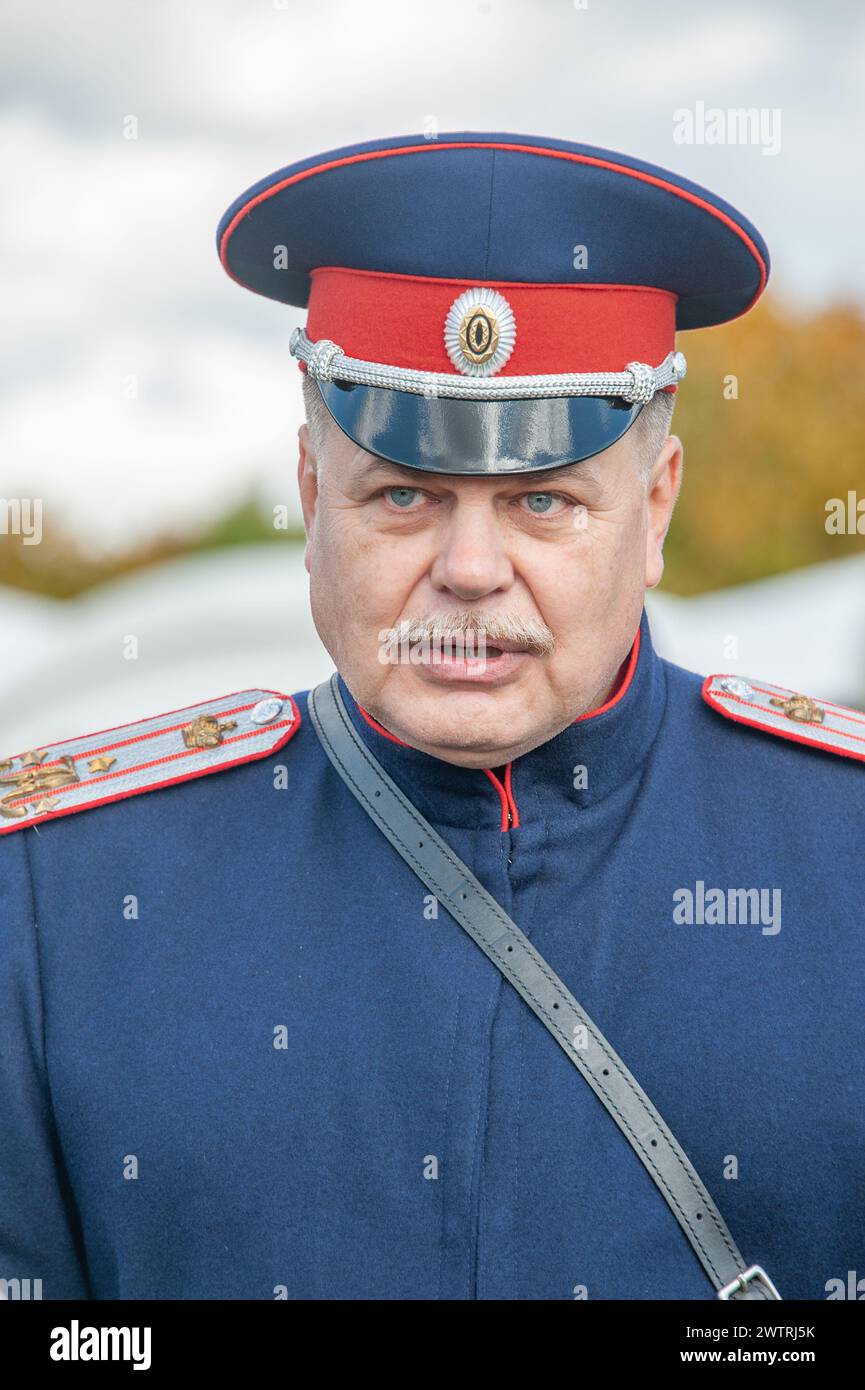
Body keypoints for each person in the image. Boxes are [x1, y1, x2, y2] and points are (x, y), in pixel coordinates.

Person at [1, 132, 862, 1302]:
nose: (468, 568)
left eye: (543, 500)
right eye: (402, 494)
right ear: (311, 497)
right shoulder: (59, 899)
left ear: (655, 508)